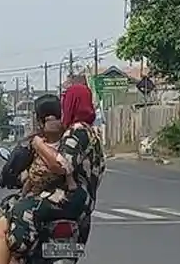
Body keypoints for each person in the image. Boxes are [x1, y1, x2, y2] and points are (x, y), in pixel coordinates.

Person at [0, 95, 87, 264]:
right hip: (76, 208)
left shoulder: (36, 142)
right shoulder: (75, 138)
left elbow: (50, 169)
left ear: (39, 118)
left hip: (42, 204)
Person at [57, 81, 106, 245]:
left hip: (67, 203)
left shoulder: (76, 132)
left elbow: (62, 166)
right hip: (87, 207)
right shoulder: (94, 134)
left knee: (10, 218)